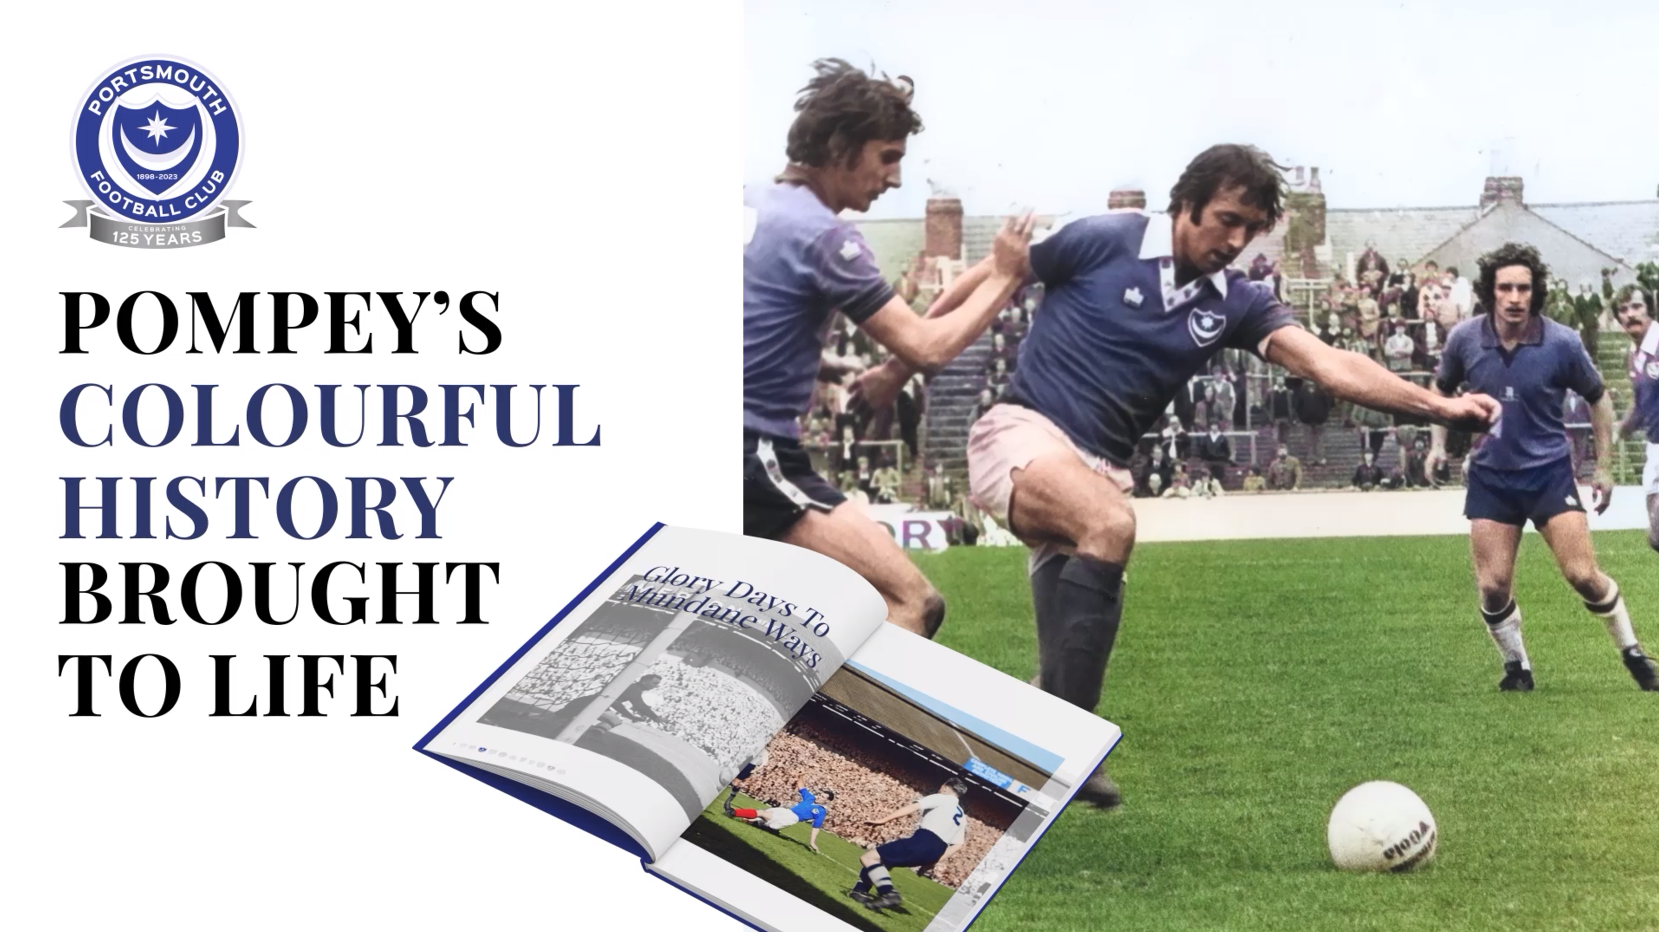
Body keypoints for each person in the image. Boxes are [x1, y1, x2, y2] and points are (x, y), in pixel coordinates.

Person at [965, 144, 1499, 806]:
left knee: (1061, 659)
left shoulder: (1234, 303)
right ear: (1184, 203)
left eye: (1250, 229)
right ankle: (1074, 746)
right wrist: (908, 354)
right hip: (1017, 434)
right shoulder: (1107, 237)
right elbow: (999, 271)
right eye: (1225, 219)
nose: (1236, 240)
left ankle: (988, 768)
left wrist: (1439, 405)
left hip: (1096, 470)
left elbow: (1328, 365)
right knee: (1107, 526)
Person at [743, 59, 1038, 638]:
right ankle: (814, 734)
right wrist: (1006, 275)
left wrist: (825, 363)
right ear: (838, 146)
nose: (896, 178)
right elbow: (927, 349)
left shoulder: (744, 202)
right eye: (888, 156)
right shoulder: (826, 236)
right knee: (909, 601)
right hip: (751, 451)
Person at [1428, 243, 1657, 692]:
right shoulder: (1465, 339)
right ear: (1490, 292)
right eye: (1505, 288)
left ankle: (1634, 655)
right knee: (1493, 586)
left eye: (1524, 288)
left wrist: (1604, 467)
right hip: (1492, 476)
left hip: (1550, 473)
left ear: (1536, 292)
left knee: (1583, 575)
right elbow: (1440, 392)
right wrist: (1438, 446)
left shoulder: (1561, 342)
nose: (1515, 297)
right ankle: (1518, 668)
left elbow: (1599, 398)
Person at [850, 777, 968, 910]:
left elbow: (913, 807)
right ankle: (860, 891)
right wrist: (932, 862)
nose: (940, 789)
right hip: (938, 850)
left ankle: (888, 893)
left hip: (925, 839)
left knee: (868, 858)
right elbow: (958, 844)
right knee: (884, 861)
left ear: (946, 787)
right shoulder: (962, 816)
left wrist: (883, 820)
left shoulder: (942, 797)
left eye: (942, 786)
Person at [1612, 285, 1659, 557]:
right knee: (1656, 536)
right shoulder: (1633, 354)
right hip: (1654, 447)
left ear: (1649, 309)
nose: (1630, 314)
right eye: (1624, 309)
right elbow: (1639, 405)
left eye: (1636, 307)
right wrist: (1619, 430)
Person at [724, 785, 834, 853]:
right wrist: (801, 776)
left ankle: (732, 812)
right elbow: (801, 787)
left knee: (762, 814)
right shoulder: (810, 798)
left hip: (791, 818)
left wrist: (812, 842)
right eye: (820, 795)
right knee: (762, 815)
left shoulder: (821, 811)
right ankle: (765, 827)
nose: (819, 797)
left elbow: (816, 827)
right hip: (786, 812)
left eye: (823, 797)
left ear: (827, 801)